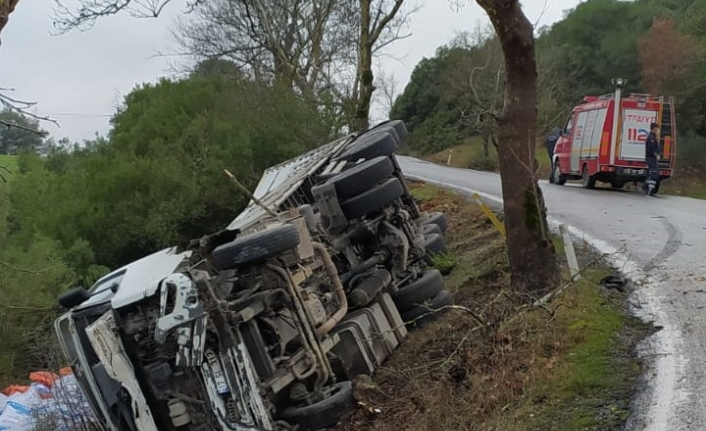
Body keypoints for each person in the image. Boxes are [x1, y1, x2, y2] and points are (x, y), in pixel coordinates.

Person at [643, 122, 660, 196]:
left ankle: (645, 187)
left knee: (650, 173)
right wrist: (656, 155)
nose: (658, 130)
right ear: (654, 129)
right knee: (654, 174)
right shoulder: (651, 138)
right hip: (651, 158)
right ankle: (649, 190)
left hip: (650, 158)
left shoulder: (652, 137)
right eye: (657, 129)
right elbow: (652, 149)